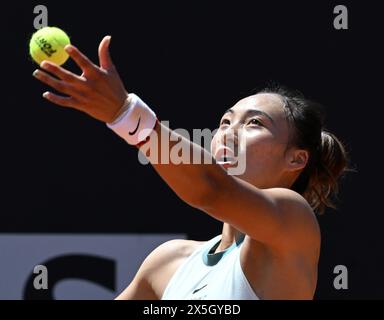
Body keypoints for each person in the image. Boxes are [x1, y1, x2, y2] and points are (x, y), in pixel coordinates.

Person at [32, 36, 349, 300]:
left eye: (255, 123)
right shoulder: (167, 262)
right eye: (225, 122)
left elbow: (211, 189)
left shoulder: (293, 222)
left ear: (296, 159)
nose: (228, 131)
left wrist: (125, 114)